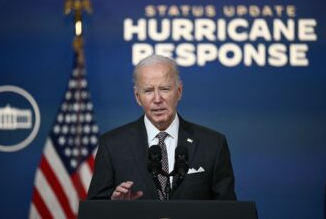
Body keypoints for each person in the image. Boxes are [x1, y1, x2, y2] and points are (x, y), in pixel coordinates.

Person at [87, 54, 236, 200]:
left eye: (164, 89)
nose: (157, 99)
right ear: (137, 97)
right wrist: (116, 209)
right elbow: (95, 212)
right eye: (148, 91)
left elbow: (228, 212)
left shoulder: (212, 144)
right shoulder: (112, 145)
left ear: (179, 91)